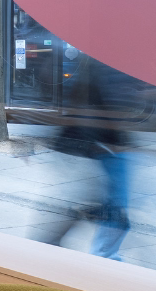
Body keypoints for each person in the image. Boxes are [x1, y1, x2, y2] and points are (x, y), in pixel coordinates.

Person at [50, 52, 135, 259]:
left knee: (106, 208)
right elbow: (109, 102)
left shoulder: (95, 60)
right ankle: (104, 260)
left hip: (103, 146)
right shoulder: (107, 61)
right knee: (113, 213)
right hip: (104, 147)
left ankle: (51, 246)